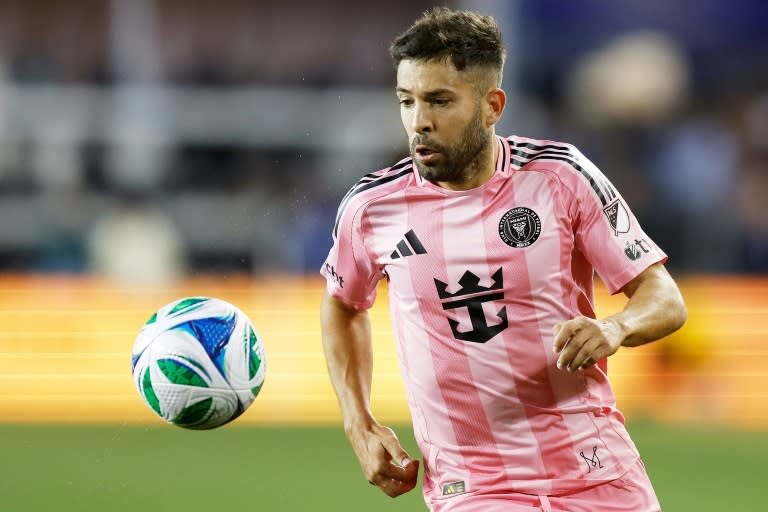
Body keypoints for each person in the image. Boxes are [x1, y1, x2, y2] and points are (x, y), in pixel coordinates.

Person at [320, 7, 687, 512]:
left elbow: (664, 297)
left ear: (492, 105)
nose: (419, 121)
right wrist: (358, 422)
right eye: (407, 101)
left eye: (440, 100)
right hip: (477, 488)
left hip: (598, 470)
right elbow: (343, 304)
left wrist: (616, 327)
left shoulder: (560, 177)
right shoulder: (372, 208)